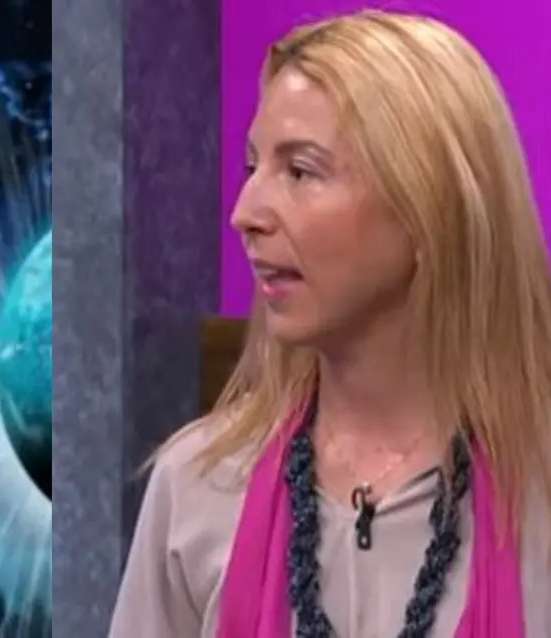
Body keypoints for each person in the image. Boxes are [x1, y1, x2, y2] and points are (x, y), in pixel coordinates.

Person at [109, 9, 551, 638]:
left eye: (300, 171)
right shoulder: (196, 486)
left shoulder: (538, 497)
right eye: (252, 168)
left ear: (427, 209)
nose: (245, 213)